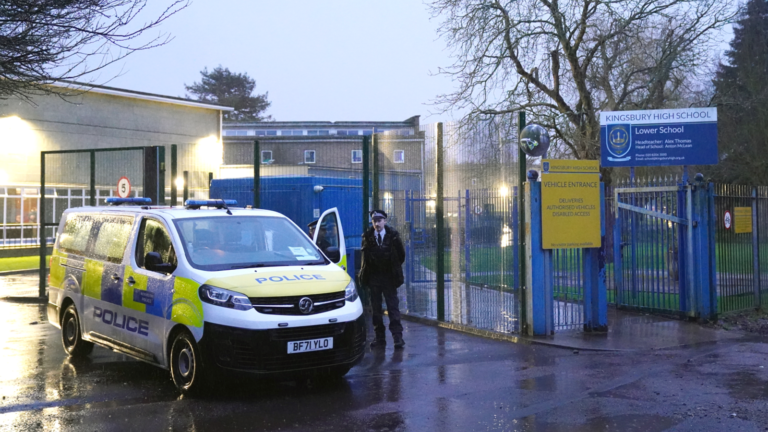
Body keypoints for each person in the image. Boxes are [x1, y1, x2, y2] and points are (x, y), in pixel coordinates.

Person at [359, 209, 406, 349]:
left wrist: (393, 269)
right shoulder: (367, 236)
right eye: (374, 221)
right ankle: (379, 338)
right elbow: (365, 258)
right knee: (376, 309)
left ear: (385, 221)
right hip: (374, 278)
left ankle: (398, 338)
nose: (377, 224)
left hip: (389, 277)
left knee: (393, 308)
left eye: (379, 221)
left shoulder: (393, 236)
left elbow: (400, 256)